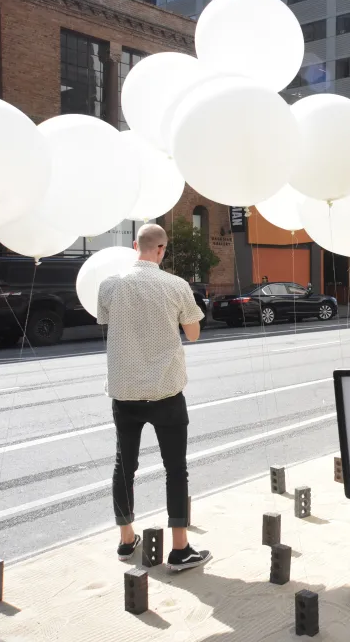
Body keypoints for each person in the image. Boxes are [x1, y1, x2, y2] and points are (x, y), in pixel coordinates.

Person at [97, 224, 211, 572]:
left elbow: (106, 323)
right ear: (161, 250)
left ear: (136, 246)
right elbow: (193, 334)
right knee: (175, 469)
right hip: (166, 391)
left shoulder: (109, 286)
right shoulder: (176, 286)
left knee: (124, 466)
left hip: (125, 391)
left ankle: (126, 538)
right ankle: (179, 549)